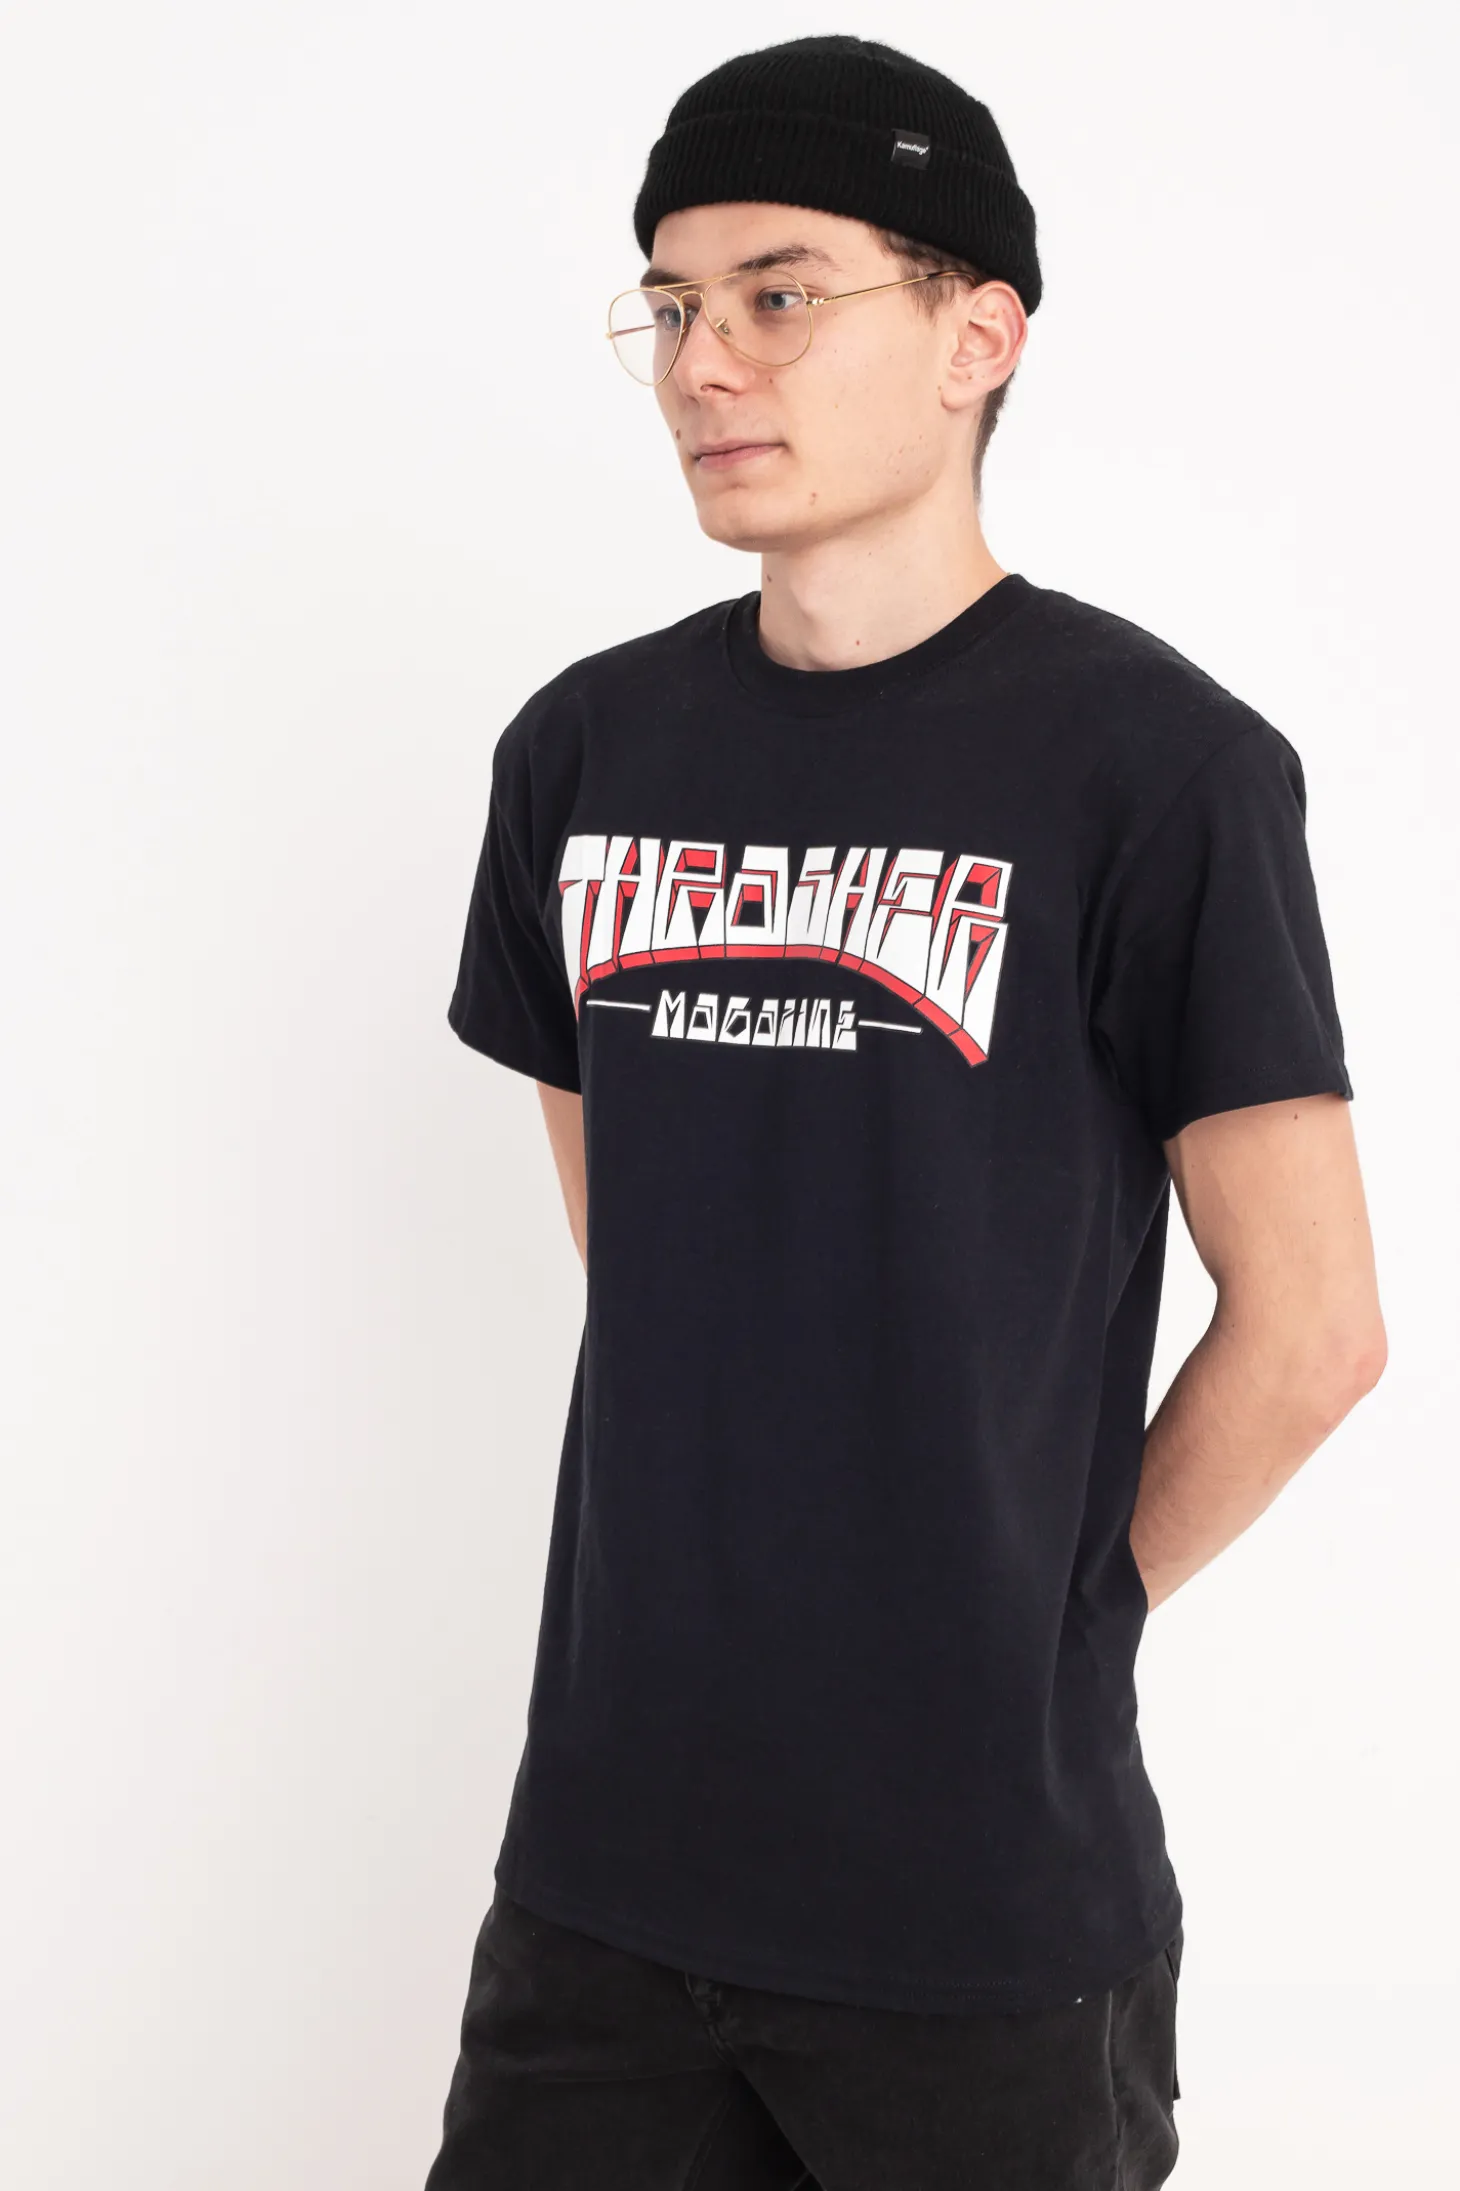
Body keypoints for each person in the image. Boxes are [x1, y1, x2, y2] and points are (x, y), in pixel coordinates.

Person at [423, 33, 1386, 2191]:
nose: (704, 363)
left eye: (779, 294)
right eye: (671, 305)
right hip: (604, 1876)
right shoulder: (584, 755)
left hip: (977, 1915)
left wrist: (1046, 1619)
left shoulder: (1161, 773)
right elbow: (643, 1241)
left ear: (978, 338)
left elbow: (1316, 1326)